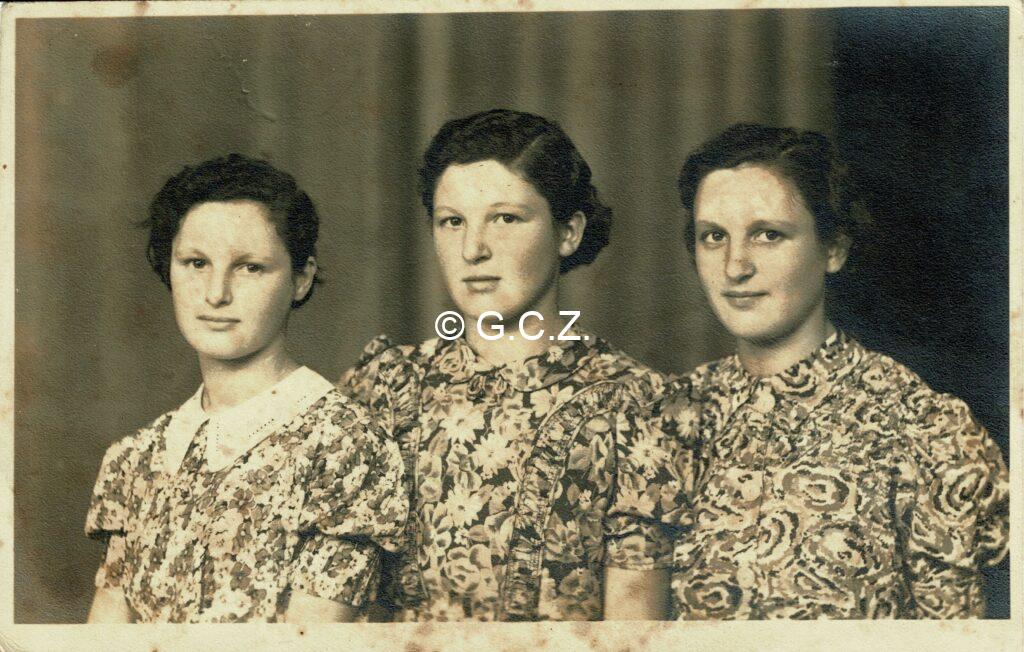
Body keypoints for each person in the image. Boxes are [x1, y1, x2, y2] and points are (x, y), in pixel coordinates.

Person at [339, 109, 687, 621]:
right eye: (452, 221)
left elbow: (633, 635)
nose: (473, 249)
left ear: (568, 232)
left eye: (505, 219)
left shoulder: (635, 401)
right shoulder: (384, 385)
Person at [659, 123, 1009, 619]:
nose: (735, 267)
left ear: (833, 249)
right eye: (714, 237)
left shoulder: (925, 430)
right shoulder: (664, 420)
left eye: (768, 235)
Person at [84, 154, 408, 623]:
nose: (216, 293)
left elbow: (313, 644)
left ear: (301, 278)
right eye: (196, 263)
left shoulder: (342, 446)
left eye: (250, 267)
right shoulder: (135, 457)